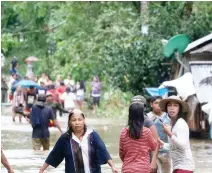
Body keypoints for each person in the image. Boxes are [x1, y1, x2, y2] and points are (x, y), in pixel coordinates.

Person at [39, 109, 119, 173]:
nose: (77, 123)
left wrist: (113, 166)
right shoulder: (65, 138)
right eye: (74, 120)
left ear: (84, 121)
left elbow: (103, 150)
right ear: (70, 123)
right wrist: (42, 169)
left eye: (79, 120)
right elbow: (53, 154)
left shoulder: (92, 135)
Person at [159, 95, 195, 173]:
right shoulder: (173, 123)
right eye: (169, 105)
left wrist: (169, 134)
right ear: (166, 108)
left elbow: (184, 145)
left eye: (175, 105)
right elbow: (175, 147)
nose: (172, 108)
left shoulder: (180, 123)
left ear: (179, 109)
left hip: (184, 167)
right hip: (178, 166)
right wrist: (163, 144)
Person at [119, 101, 157, 173]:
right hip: (143, 168)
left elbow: (121, 153)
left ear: (129, 115)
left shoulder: (123, 132)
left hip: (127, 168)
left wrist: (129, 161)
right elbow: (153, 147)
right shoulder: (147, 131)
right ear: (142, 115)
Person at [131, 95, 159, 173]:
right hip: (133, 163)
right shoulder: (130, 122)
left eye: (139, 106)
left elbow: (156, 143)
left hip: (147, 163)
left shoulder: (148, 122)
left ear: (144, 108)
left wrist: (153, 162)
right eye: (134, 106)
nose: (136, 108)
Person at [147, 96, 172, 173]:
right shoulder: (147, 117)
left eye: (160, 103)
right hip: (153, 151)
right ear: (151, 104)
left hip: (167, 150)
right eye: (156, 103)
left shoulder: (168, 116)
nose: (158, 105)